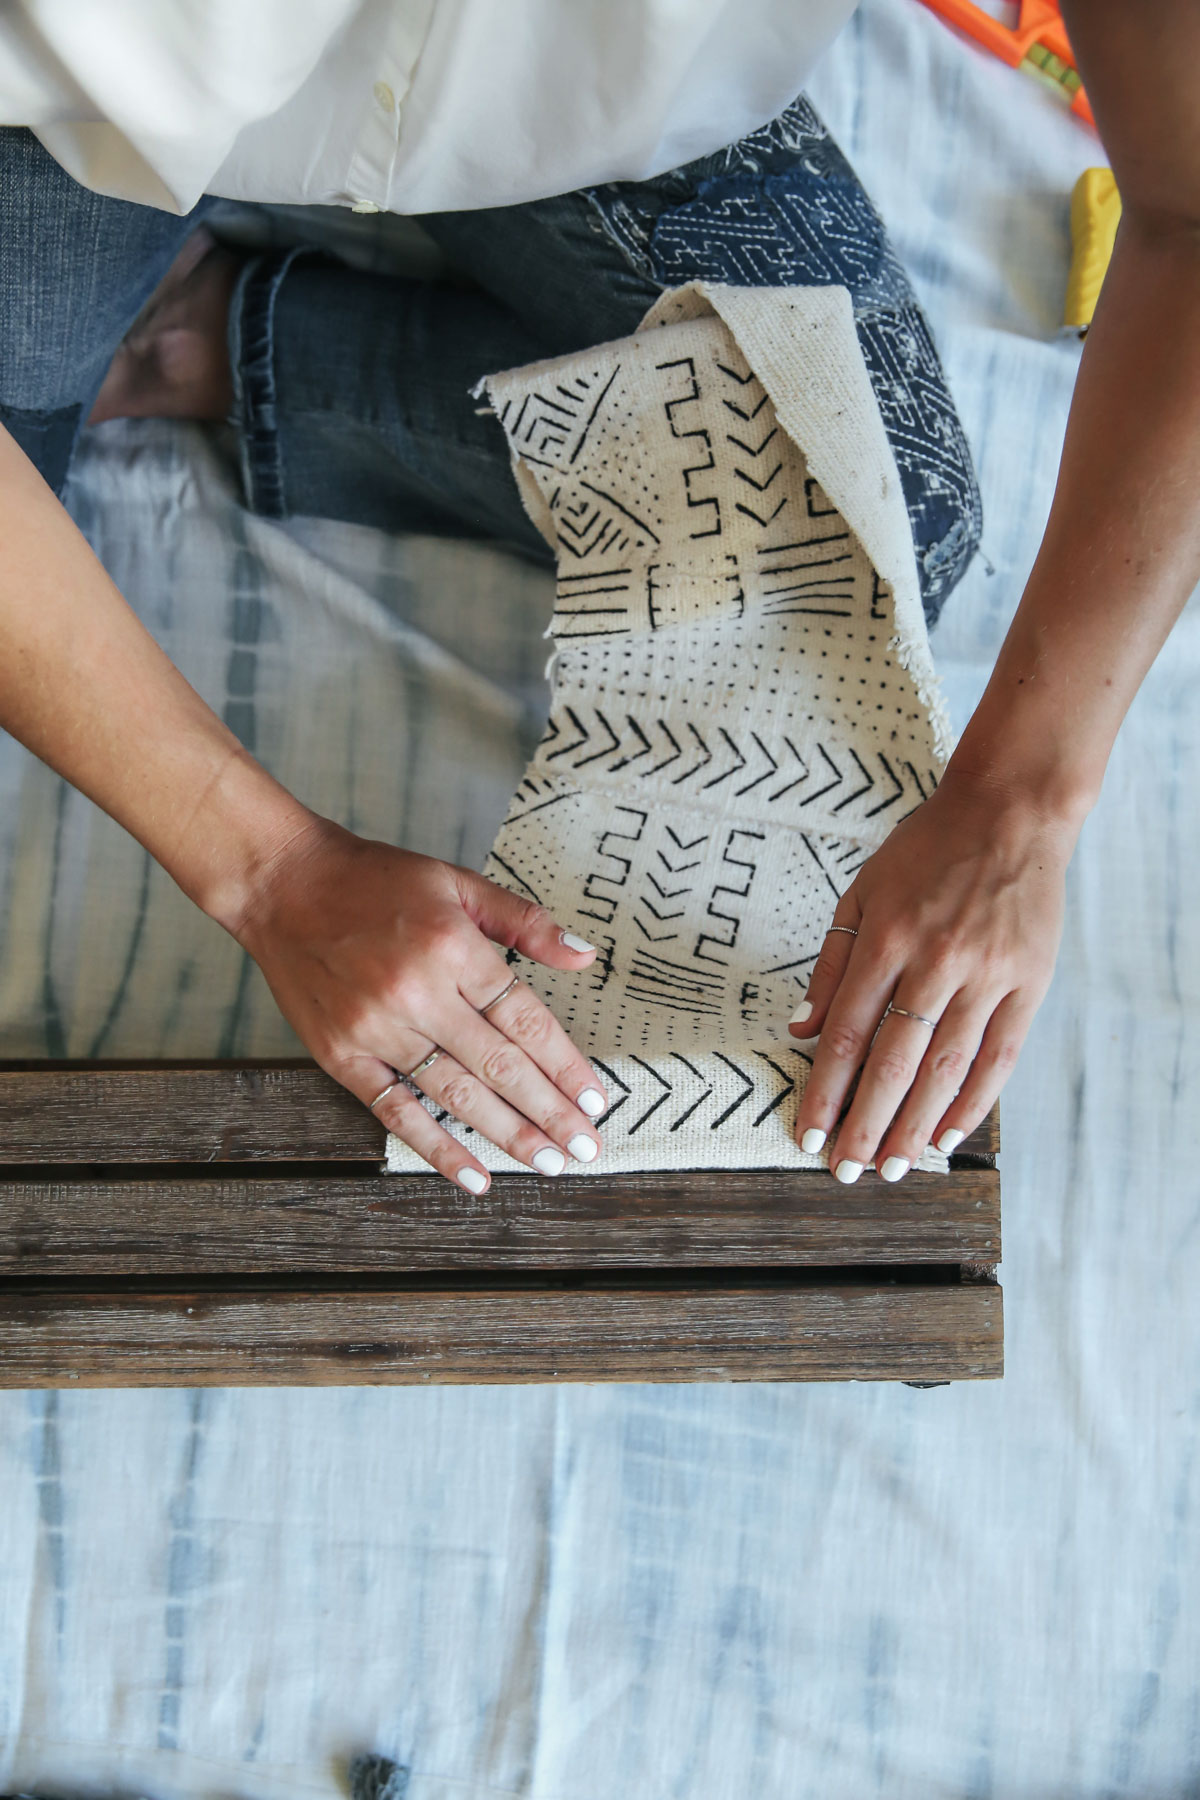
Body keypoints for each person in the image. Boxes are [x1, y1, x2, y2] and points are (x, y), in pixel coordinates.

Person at [0, 0, 1195, 1193]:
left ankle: (217, 339)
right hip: (75, 103)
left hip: (586, 122)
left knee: (890, 514)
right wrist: (268, 870)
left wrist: (1023, 797)